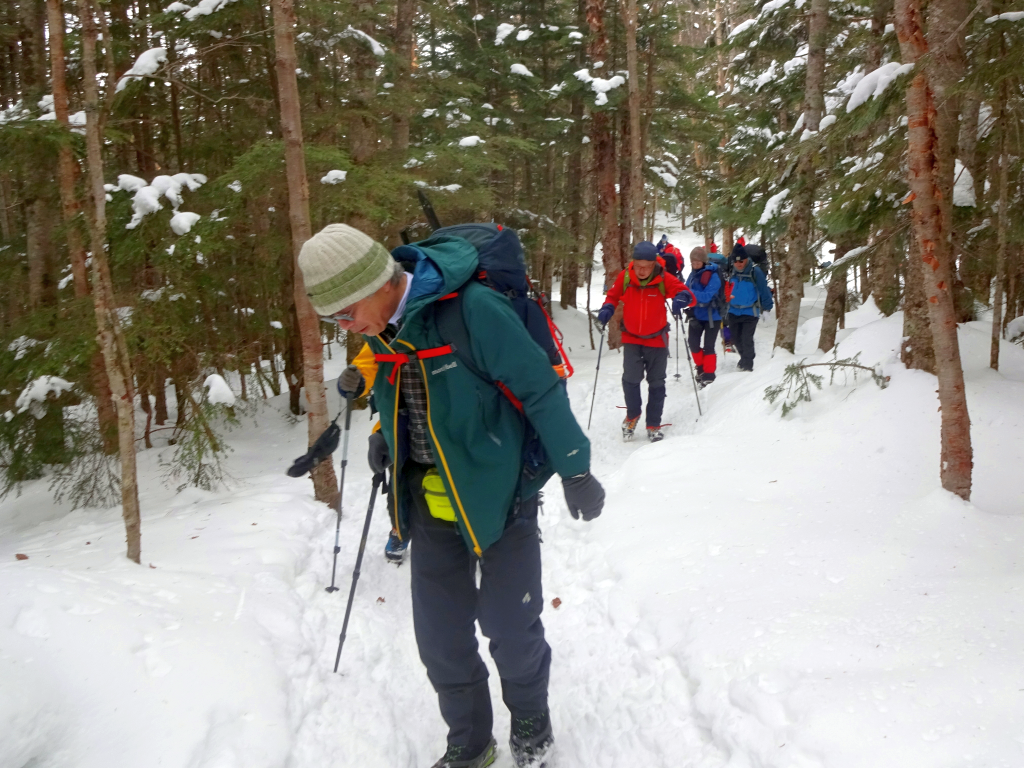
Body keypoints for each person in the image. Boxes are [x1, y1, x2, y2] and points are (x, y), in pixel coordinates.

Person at [301, 223, 605, 768]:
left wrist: (575, 469)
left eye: (346, 313)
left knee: (511, 628)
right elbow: (401, 392)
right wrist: (381, 438)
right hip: (428, 504)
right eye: (335, 320)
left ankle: (531, 717)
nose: (347, 327)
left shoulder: (475, 311)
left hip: (500, 496)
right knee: (440, 638)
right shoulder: (383, 327)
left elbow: (538, 387)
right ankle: (470, 739)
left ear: (380, 282)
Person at [597, 241, 694, 442]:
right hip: (631, 338)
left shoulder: (662, 278)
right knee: (631, 380)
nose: (641, 270)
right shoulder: (625, 277)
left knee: (656, 383)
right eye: (638, 266)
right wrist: (607, 307)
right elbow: (612, 296)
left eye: (646, 267)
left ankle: (653, 424)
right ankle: (632, 415)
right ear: (633, 263)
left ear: (653, 265)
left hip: (657, 339)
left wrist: (681, 298)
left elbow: (686, 294)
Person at [338, 345, 410, 564]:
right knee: (399, 490)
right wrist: (356, 379)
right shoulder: (388, 328)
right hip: (397, 423)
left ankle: (474, 536)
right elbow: (370, 359)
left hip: (453, 424)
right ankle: (399, 531)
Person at [725, 243, 774, 372]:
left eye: (741, 260)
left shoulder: (755, 271)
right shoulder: (731, 272)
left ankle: (748, 364)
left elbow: (764, 290)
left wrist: (767, 308)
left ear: (746, 259)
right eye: (736, 261)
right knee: (735, 338)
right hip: (733, 310)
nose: (739, 263)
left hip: (750, 311)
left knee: (746, 338)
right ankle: (744, 358)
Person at [685, 246, 723, 387]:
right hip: (696, 314)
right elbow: (685, 289)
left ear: (704, 262)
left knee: (709, 346)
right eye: (693, 263)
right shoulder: (693, 274)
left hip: (713, 315)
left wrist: (690, 293)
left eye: (697, 263)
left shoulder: (713, 275)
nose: (695, 265)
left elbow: (707, 296)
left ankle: (709, 375)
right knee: (693, 344)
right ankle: (700, 368)